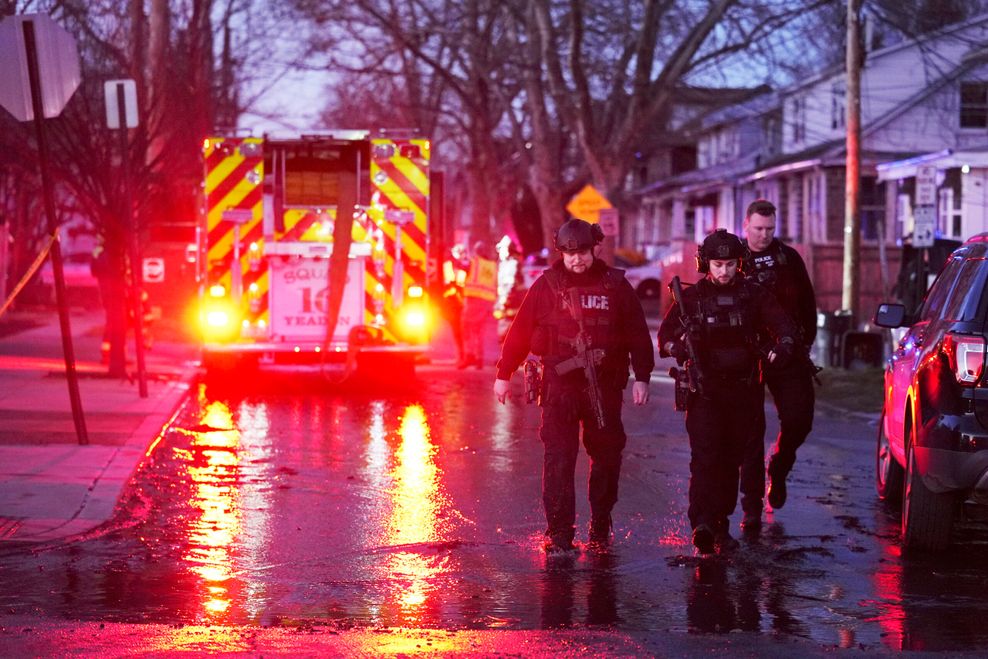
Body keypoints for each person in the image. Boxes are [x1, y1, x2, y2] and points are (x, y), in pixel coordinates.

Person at [493, 218, 653, 553]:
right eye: (569, 253)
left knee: (607, 458)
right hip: (560, 388)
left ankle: (599, 523)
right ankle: (560, 533)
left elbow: (637, 333)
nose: (576, 259)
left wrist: (642, 376)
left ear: (594, 249)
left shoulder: (615, 286)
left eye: (581, 252)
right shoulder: (547, 285)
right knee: (559, 460)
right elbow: (520, 330)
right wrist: (504, 374)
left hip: (605, 386)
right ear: (561, 253)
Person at [658, 229, 797, 555]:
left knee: (731, 460)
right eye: (718, 264)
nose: (724, 271)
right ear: (707, 264)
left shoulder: (753, 295)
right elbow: (664, 336)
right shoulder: (691, 299)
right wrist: (678, 347)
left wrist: (784, 347)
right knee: (706, 457)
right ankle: (702, 524)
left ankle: (720, 524)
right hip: (705, 392)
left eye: (730, 264)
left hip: (743, 392)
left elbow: (783, 325)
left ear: (740, 263)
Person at [738, 200, 817, 532]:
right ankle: (752, 506)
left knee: (800, 419)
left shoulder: (788, 258)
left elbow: (807, 302)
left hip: (788, 353)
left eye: (770, 229)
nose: (764, 235)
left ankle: (780, 467)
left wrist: (805, 343)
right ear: (746, 226)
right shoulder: (732, 258)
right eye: (758, 228)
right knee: (749, 433)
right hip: (746, 354)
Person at [459, 240, 498, 369]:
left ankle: (469, 356)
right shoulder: (492, 265)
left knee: (467, 329)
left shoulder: (474, 263)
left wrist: (452, 257)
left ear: (477, 252)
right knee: (479, 331)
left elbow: (461, 266)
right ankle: (479, 358)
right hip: (487, 303)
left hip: (474, 301)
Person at [440, 244, 469, 363]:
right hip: (455, 303)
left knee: (460, 332)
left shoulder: (457, 266)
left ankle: (462, 356)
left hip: (457, 303)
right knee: (459, 332)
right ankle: (461, 356)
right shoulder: (455, 266)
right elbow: (455, 283)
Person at [494, 236, 526, 341]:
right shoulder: (505, 264)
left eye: (502, 249)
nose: (500, 252)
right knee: (506, 332)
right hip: (508, 303)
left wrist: (502, 302)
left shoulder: (512, 264)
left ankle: (508, 356)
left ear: (508, 250)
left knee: (507, 332)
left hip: (511, 303)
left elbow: (509, 285)